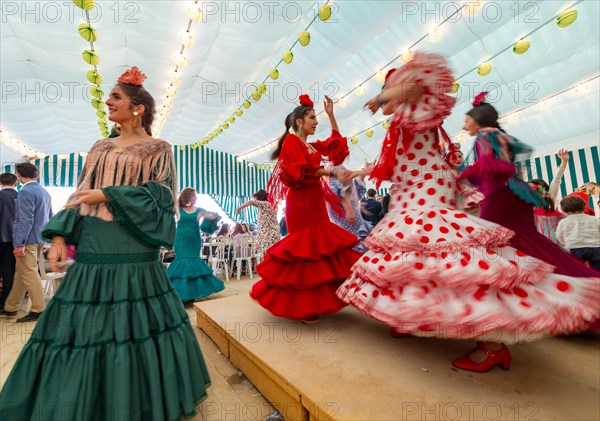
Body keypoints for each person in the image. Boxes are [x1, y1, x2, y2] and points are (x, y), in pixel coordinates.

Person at [337, 53, 599, 373]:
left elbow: (418, 86)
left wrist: (382, 96)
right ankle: (409, 317)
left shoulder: (419, 110)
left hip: (427, 195)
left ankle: (491, 346)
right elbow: (392, 165)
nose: (389, 97)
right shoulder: (399, 125)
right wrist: (354, 173)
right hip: (409, 197)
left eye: (393, 88)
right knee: (412, 261)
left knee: (453, 263)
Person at [0, 67, 211, 420]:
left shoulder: (159, 149)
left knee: (138, 323)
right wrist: (60, 236)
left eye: (115, 97)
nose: (107, 102)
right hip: (97, 243)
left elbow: (162, 196)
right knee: (81, 324)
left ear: (138, 107)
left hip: (135, 245)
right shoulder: (99, 147)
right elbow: (80, 193)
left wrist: (108, 194)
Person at [458, 93, 600, 349]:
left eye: (466, 120)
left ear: (477, 121)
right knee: (532, 247)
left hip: (500, 197)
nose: (464, 125)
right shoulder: (503, 136)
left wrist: (461, 174)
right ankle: (579, 297)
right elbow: (522, 153)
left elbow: (490, 166)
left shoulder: (484, 136)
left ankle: (519, 309)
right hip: (516, 195)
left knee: (494, 249)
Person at [251, 94, 361, 322]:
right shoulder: (292, 141)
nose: (316, 121)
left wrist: (331, 116)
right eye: (313, 117)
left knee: (319, 250)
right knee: (304, 250)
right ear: (299, 121)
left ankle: (317, 301)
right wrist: (331, 172)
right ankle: (300, 306)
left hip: (315, 199)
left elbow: (338, 150)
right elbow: (299, 170)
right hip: (300, 201)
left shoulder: (310, 146)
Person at [0, 163, 52, 323]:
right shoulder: (44, 192)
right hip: (39, 238)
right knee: (21, 271)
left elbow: (25, 219)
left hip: (27, 239)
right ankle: (11, 306)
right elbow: (50, 215)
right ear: (36, 175)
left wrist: (19, 243)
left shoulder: (25, 192)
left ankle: (38, 309)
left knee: (28, 271)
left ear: (20, 176)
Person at [167, 188, 224, 302]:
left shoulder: (200, 210)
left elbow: (205, 227)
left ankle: (191, 293)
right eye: (194, 196)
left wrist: (212, 218)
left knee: (193, 262)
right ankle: (179, 293)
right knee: (182, 261)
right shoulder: (178, 208)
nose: (196, 198)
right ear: (188, 197)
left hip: (194, 240)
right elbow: (166, 216)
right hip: (180, 239)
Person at [325, 163, 373, 253]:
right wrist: (349, 209)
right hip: (345, 211)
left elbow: (354, 192)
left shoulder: (336, 167)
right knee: (357, 239)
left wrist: (362, 173)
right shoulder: (336, 166)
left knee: (356, 239)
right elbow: (338, 191)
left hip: (346, 211)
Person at [528, 149, 569, 244]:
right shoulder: (526, 204)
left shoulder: (550, 198)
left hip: (556, 240)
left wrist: (564, 161)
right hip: (538, 242)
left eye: (534, 189)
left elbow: (556, 179)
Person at [557, 196, 600, 271]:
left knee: (577, 269)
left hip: (576, 248)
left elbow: (559, 236)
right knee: (597, 270)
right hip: (596, 247)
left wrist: (566, 243)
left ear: (564, 210)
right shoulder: (594, 219)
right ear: (584, 206)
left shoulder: (563, 222)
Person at [236, 189, 281, 258]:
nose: (256, 200)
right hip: (273, 232)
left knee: (266, 255)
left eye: (256, 198)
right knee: (273, 254)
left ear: (260, 198)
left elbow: (251, 202)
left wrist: (239, 208)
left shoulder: (265, 204)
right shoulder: (272, 205)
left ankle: (267, 268)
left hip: (267, 233)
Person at [0, 172, 18, 310]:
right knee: (9, 272)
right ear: (16, 183)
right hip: (14, 240)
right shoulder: (21, 196)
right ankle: (5, 302)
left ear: (0, 183)